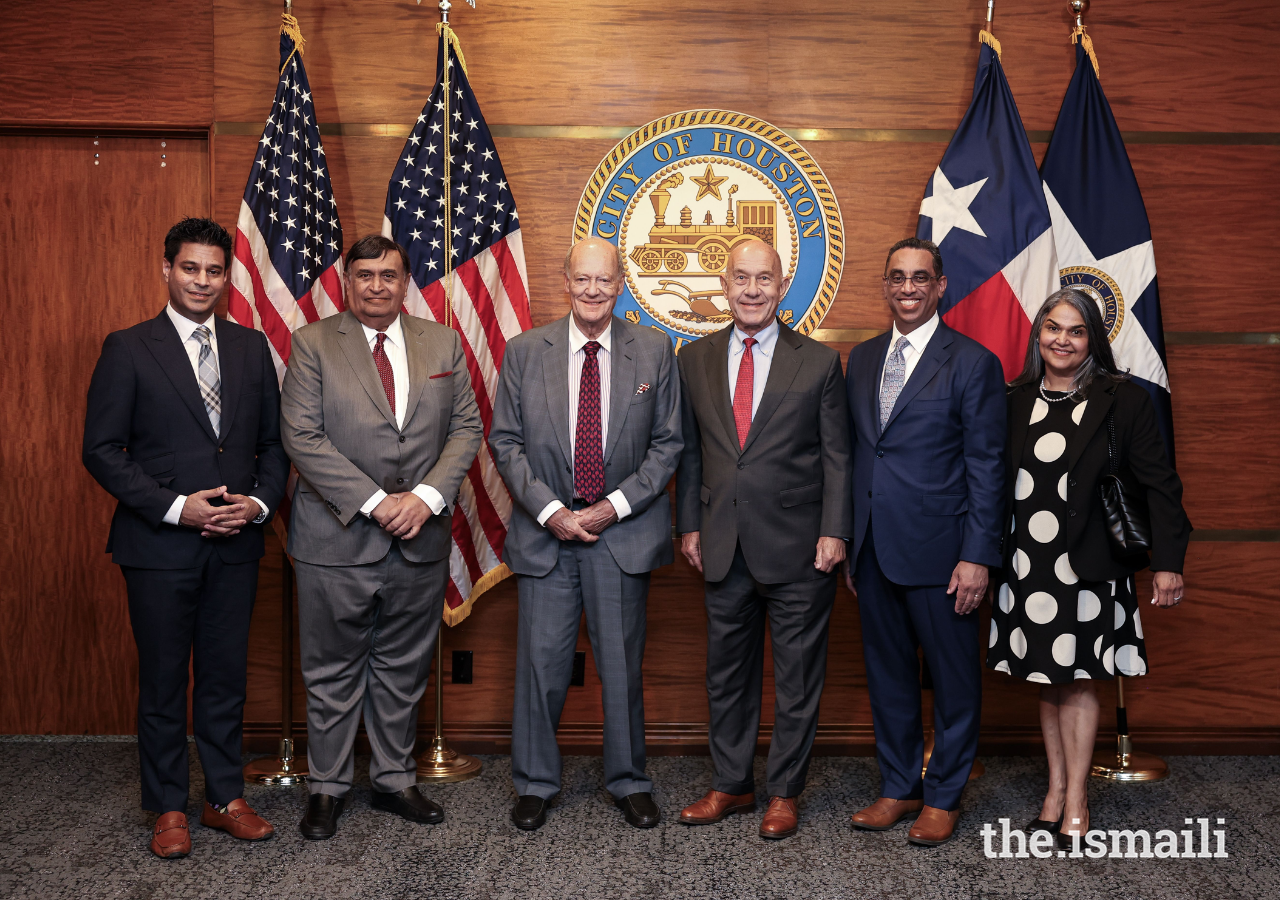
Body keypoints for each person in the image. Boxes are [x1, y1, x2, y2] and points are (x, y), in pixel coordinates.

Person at [83, 217, 289, 858]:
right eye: (190, 268)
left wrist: (255, 504)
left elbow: (272, 448)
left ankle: (224, 797)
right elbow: (102, 452)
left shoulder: (253, 349)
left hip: (235, 544)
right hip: (159, 546)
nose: (202, 280)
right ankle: (169, 805)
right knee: (166, 679)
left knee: (226, 677)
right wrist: (178, 508)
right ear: (166, 269)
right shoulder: (128, 347)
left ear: (228, 277)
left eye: (214, 270)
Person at [279, 235, 482, 840]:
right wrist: (376, 502)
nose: (376, 286)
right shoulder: (313, 343)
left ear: (404, 281)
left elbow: (467, 427)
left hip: (420, 535)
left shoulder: (442, 342)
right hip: (335, 539)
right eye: (364, 275)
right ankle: (327, 787)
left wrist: (423, 497)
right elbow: (302, 437)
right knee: (331, 669)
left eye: (388, 275)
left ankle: (394, 778)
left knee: (403, 665)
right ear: (347, 282)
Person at [488, 237, 682, 831]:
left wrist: (608, 509)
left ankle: (629, 781)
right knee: (541, 669)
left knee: (620, 667)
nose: (593, 290)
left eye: (605, 280)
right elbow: (506, 441)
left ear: (620, 283)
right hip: (548, 534)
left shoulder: (655, 350)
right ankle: (535, 783)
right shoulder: (525, 351)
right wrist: (553, 512)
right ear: (565, 281)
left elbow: (668, 444)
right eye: (582, 280)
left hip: (618, 536)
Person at [989, 288, 1190, 847]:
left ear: (1093, 340)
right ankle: (1053, 790)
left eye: (1075, 331)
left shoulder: (1123, 400)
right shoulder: (1013, 399)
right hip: (1027, 565)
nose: (1062, 340)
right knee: (1048, 684)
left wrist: (1168, 564)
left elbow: (1160, 486)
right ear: (1038, 335)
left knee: (1077, 684)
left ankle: (1075, 797)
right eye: (1053, 328)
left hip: (1089, 567)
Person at [675, 239, 852, 841]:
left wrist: (834, 530)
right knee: (725, 674)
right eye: (741, 279)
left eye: (764, 280)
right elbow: (693, 452)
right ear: (724, 286)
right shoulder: (693, 358)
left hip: (801, 548)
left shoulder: (821, 362)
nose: (752, 290)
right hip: (723, 544)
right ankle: (731, 784)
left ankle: (784, 792)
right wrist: (689, 526)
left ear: (782, 287)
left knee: (798, 678)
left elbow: (838, 456)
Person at [844, 237, 1006, 846]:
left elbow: (987, 466)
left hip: (944, 553)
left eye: (920, 278)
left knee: (954, 680)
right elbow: (861, 454)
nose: (907, 288)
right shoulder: (860, 359)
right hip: (873, 550)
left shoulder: (972, 361)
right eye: (897, 278)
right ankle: (899, 787)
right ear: (884, 286)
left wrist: (977, 555)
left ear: (940, 287)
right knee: (888, 678)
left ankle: (944, 797)